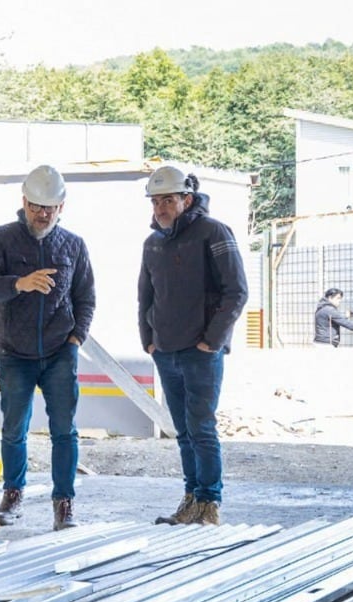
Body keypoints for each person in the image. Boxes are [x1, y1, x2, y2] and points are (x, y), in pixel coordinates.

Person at [0, 164, 96, 531]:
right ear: (23, 202)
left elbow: (86, 297)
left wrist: (76, 339)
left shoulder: (73, 245)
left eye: (50, 208)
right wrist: (19, 284)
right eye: (36, 206)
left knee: (64, 429)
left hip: (60, 351)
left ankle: (64, 502)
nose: (43, 214)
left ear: (62, 207)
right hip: (14, 353)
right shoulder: (0, 239)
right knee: (13, 428)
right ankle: (13, 494)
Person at [137, 166, 248, 526]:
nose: (161, 208)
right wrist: (149, 341)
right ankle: (191, 499)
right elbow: (145, 296)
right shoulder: (153, 243)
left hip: (201, 352)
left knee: (201, 428)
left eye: (168, 200)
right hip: (166, 350)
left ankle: (210, 503)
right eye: (156, 201)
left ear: (187, 199)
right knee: (184, 430)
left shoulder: (213, 232)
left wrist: (211, 341)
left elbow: (236, 291)